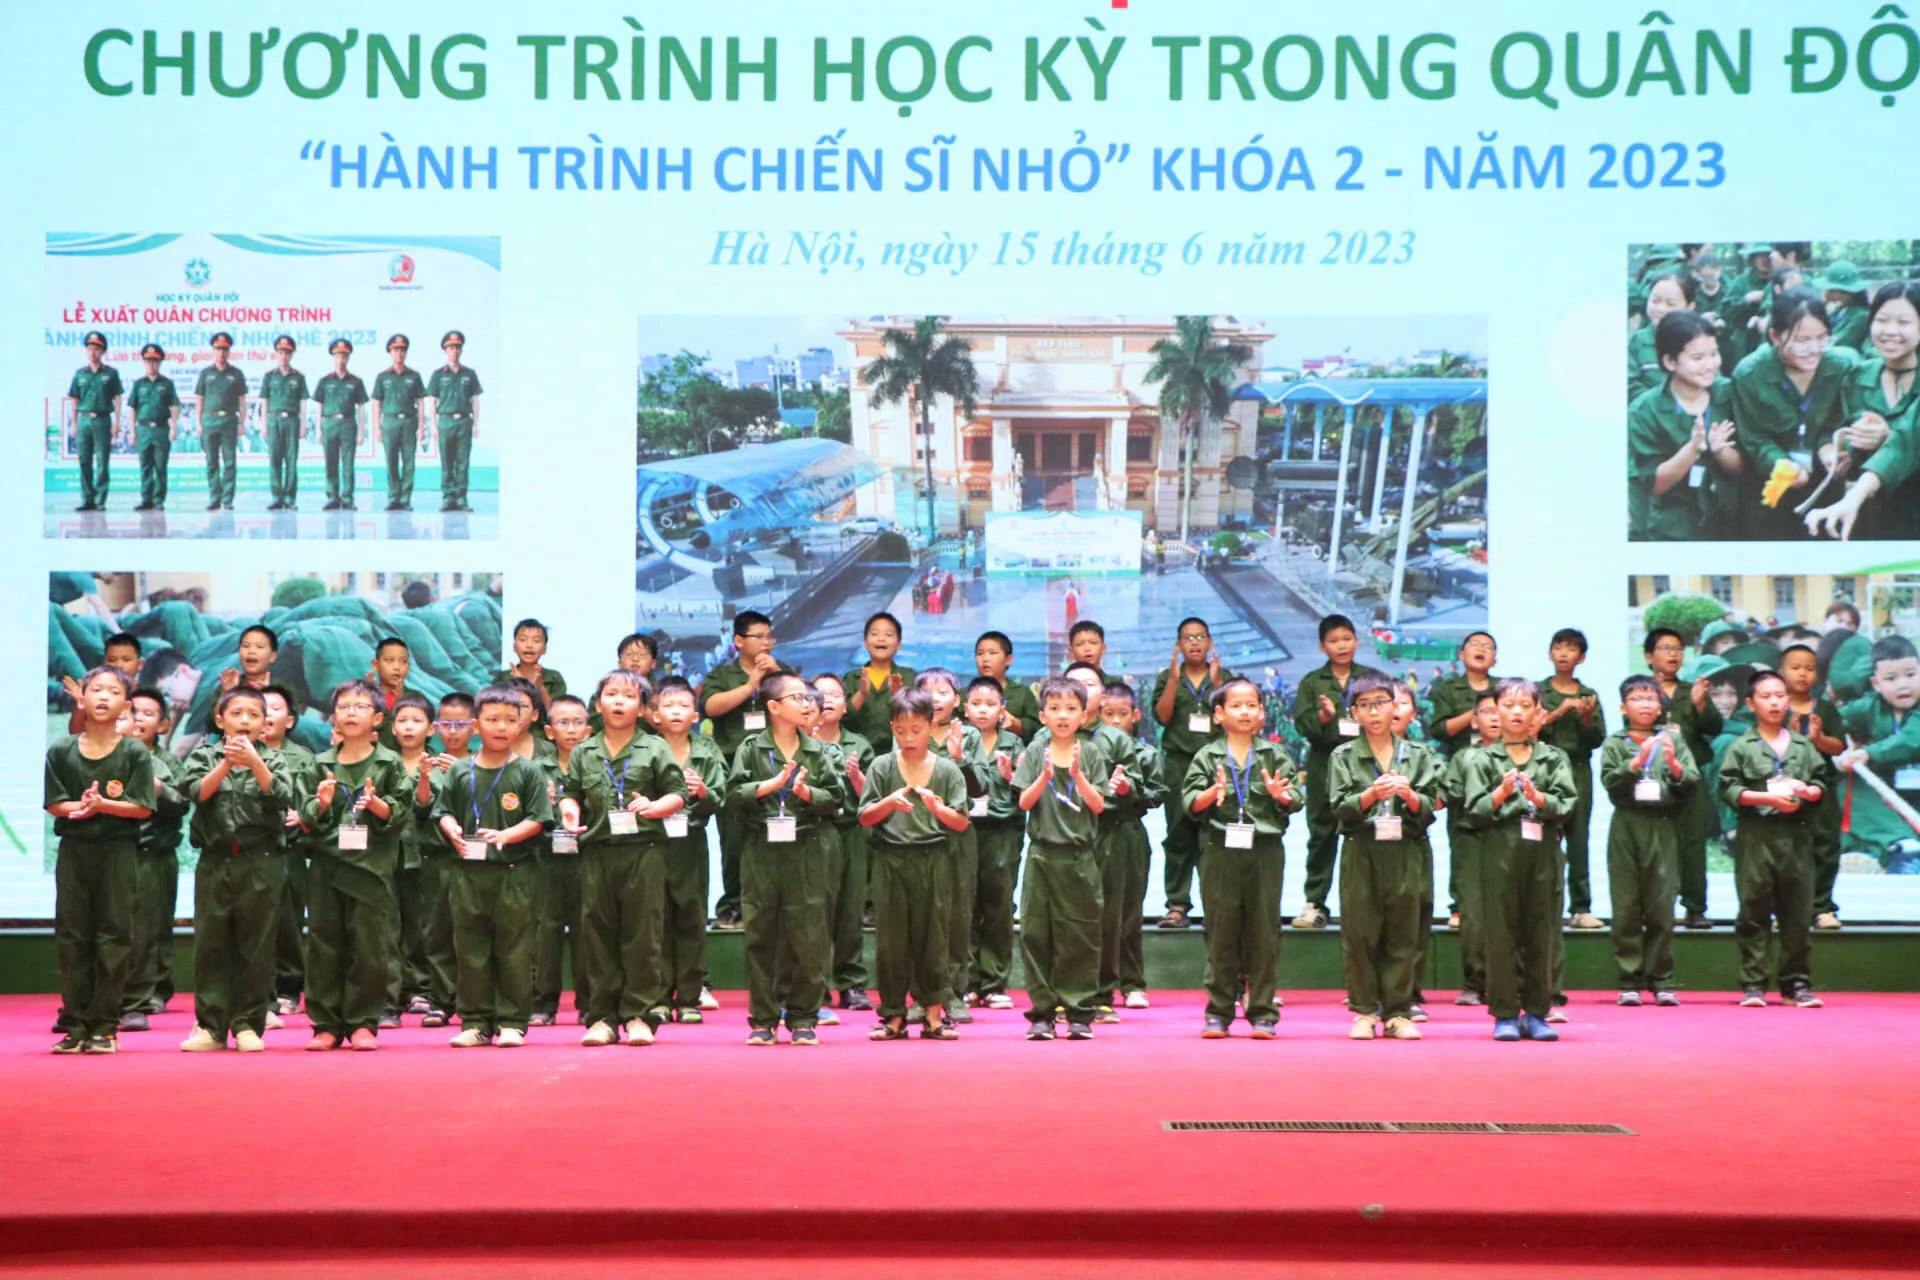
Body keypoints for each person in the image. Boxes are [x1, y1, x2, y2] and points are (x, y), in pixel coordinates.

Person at [560, 671, 687, 1046]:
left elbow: (678, 794)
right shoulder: (584, 751)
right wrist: (569, 813)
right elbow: (571, 794)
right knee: (596, 936)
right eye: (611, 694)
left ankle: (639, 1015)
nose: (619, 701)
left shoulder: (655, 748)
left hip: (644, 852)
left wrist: (656, 807)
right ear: (598, 704)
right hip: (597, 853)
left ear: (643, 708)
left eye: (628, 696)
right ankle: (602, 1017)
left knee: (643, 936)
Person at [726, 671, 844, 1046]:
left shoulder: (817, 750)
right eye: (797, 697)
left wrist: (807, 794)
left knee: (808, 936)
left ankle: (803, 1017)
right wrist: (771, 786)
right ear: (774, 707)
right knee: (761, 935)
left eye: (808, 698)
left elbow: (836, 798)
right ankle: (763, 1018)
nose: (807, 704)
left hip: (806, 849)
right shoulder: (751, 748)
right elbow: (734, 794)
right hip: (761, 850)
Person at [436, 687, 556, 1046]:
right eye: (492, 719)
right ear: (476, 725)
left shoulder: (529, 771)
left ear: (521, 724)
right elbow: (443, 812)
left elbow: (539, 819)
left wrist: (507, 835)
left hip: (514, 874)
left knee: (514, 951)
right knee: (470, 950)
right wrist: (451, 829)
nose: (501, 727)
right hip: (468, 875)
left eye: (510, 720)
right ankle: (474, 1021)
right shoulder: (460, 770)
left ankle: (511, 1021)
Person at [1184, 677, 1302, 1039]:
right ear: (1219, 715)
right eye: (1236, 706)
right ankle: (1218, 1012)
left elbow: (1295, 798)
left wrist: (1281, 796)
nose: (1245, 712)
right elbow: (1190, 803)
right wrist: (1213, 792)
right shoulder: (1207, 756)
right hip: (1220, 851)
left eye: (1251, 705)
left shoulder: (1273, 755)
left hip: (1264, 852)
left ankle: (1262, 1011)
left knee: (1263, 932)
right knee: (1221, 931)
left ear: (1262, 713)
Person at [45, 666, 156, 1054]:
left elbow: (143, 807)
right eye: (96, 689)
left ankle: (105, 1026)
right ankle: (75, 1024)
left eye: (113, 691)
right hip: (75, 851)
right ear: (83, 698)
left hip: (118, 852)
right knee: (73, 937)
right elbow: (55, 803)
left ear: (126, 706)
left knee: (114, 936)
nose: (103, 696)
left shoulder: (134, 752)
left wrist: (104, 805)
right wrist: (80, 807)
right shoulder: (61, 750)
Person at [180, 687, 297, 1052]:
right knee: (211, 944)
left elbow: (282, 795)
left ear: (265, 725)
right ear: (220, 720)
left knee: (257, 944)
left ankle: (248, 1024)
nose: (244, 720)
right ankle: (211, 1027)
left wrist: (254, 762)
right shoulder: (204, 755)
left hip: (261, 860)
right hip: (216, 860)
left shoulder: (275, 758)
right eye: (236, 713)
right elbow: (195, 792)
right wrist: (227, 764)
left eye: (253, 715)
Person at [299, 679, 413, 1051]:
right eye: (344, 706)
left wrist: (378, 805)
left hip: (371, 869)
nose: (351, 712)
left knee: (370, 948)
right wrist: (321, 804)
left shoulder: (389, 763)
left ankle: (363, 1022)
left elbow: (401, 811)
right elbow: (305, 815)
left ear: (377, 718)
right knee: (324, 946)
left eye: (360, 706)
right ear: (333, 716)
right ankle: (326, 1024)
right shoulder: (319, 764)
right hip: (327, 868)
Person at [1463, 678, 1578, 1042]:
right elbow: (1474, 811)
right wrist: (1501, 793)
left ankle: (1538, 1012)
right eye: (1508, 705)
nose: (1516, 712)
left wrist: (1539, 798)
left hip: (1542, 854)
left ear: (1537, 713)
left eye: (1525, 706)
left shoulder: (1553, 758)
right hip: (1499, 852)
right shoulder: (1481, 759)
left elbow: (1567, 804)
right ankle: (1505, 1013)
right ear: (1495, 711)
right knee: (1501, 935)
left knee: (1541, 934)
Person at [1330, 673, 1441, 1040]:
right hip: (1362, 850)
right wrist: (1370, 795)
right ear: (1354, 713)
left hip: (1406, 849)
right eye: (1365, 705)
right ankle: (1364, 1011)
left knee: (1403, 932)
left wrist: (1408, 795)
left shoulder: (1419, 755)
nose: (1374, 712)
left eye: (1381, 703)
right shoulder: (1343, 755)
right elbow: (1338, 807)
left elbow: (1430, 807)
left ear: (1395, 706)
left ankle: (1397, 1012)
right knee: (1360, 932)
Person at [860, 687, 971, 1041]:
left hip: (933, 859)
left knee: (934, 938)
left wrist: (938, 809)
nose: (908, 738)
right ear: (891, 728)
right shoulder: (881, 766)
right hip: (890, 859)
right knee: (891, 941)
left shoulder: (947, 770)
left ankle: (934, 1016)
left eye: (916, 730)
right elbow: (864, 817)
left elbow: (961, 822)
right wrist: (888, 803)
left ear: (931, 725)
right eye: (900, 730)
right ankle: (893, 1016)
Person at [1721, 670, 1828, 1008]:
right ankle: (1754, 984)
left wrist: (1809, 791)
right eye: (1766, 696)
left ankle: (1796, 984)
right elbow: (1729, 789)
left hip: (1795, 836)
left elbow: (1821, 783)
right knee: (1753, 910)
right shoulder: (1742, 746)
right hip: (1757, 835)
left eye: (1780, 695)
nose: (1775, 702)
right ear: (1751, 703)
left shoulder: (1803, 746)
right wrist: (1766, 798)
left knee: (1797, 914)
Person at [1013, 676, 1110, 1041]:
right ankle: (1042, 1013)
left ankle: (1079, 1012)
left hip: (1079, 858)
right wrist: (1044, 776)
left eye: (1071, 708)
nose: (1063, 715)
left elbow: (1098, 805)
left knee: (1080, 935)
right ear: (1042, 716)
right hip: (1041, 856)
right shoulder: (1036, 751)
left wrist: (1078, 777)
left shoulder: (1092, 753)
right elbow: (1024, 802)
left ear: (1083, 716)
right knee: (1036, 934)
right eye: (1054, 708)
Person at [1730, 288, 1859, 540]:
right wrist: (1779, 463)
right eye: (1802, 340)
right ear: (1775, 336)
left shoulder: (1841, 368)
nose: (1814, 349)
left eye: (1822, 338)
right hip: (1769, 490)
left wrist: (1830, 448)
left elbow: (1840, 422)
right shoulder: (1749, 374)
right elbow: (1754, 438)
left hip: (1824, 488)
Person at [1601, 675, 1699, 1006]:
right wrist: (1636, 761)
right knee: (1626, 906)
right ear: (1623, 708)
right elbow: (1610, 782)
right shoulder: (1615, 742)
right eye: (1637, 699)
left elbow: (1692, 780)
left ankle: (1662, 980)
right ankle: (1629, 980)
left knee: (1662, 905)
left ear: (1660, 707)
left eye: (1650, 699)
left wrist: (1672, 762)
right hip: (1627, 825)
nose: (1644, 705)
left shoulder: (1673, 740)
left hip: (1663, 825)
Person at [1805, 281, 1920, 542]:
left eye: (1903, 322)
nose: (1890, 331)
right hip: (1869, 514)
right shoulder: (1856, 376)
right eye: (1882, 320)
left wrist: (1885, 437)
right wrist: (1836, 452)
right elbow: (1826, 430)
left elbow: (1907, 440)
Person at [698, 611, 791, 929]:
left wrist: (776, 675)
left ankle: (775, 903)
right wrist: (751, 684)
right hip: (733, 768)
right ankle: (733, 905)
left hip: (775, 766)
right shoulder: (722, 674)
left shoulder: (780, 671)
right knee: (734, 839)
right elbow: (711, 707)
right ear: (738, 640)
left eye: (769, 637)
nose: (766, 643)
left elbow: (801, 703)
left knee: (776, 835)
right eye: (759, 636)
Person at [1291, 614, 1383, 928]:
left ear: (1356, 641)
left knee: (1368, 831)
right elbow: (1302, 726)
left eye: (1347, 638)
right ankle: (1315, 902)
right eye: (1333, 641)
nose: (1341, 646)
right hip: (1325, 763)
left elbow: (1387, 714)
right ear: (1322, 646)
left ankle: (1370, 901)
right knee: (1322, 833)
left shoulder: (1371, 678)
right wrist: (1324, 716)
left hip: (1365, 762)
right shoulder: (1312, 682)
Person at [915, 668, 990, 1024]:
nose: (935, 699)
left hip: (958, 836)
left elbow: (981, 788)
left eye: (943, 691)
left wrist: (960, 758)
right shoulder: (910, 731)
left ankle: (955, 994)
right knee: (921, 917)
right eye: (927, 692)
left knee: (958, 916)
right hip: (917, 836)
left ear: (956, 700)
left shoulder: (969, 735)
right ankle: (921, 995)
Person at [1629, 311, 1743, 541]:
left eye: (1714, 354)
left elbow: (1744, 468)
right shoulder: (1644, 411)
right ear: (1670, 362)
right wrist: (1692, 450)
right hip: (1672, 528)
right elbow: (1653, 484)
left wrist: (1722, 452)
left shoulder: (1731, 394)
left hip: (1728, 523)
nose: (1710, 365)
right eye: (1698, 358)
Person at [653, 677, 727, 1020]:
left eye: (683, 706)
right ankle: (657, 997)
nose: (676, 711)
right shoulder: (646, 749)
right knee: (655, 919)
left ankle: (689, 996)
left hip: (691, 842)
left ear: (695, 716)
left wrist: (702, 792)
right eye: (668, 705)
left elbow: (721, 798)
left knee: (691, 916)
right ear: (655, 715)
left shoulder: (706, 751)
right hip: (653, 843)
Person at [118, 686, 190, 1033]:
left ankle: (154, 990)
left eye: (148, 714)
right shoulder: (111, 756)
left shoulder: (169, 762)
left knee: (154, 924)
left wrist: (160, 790)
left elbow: (181, 803)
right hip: (117, 853)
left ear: (162, 725)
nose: (138, 720)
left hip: (155, 853)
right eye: (133, 713)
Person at [1150, 617, 1229, 929]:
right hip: (1179, 765)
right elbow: (1162, 717)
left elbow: (1229, 718)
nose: (1194, 642)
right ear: (1178, 645)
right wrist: (1172, 680)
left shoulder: (1224, 677)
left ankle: (1216, 905)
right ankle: (1177, 904)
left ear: (1210, 642)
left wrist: (1218, 684)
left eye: (1200, 637)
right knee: (1178, 835)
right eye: (1188, 638)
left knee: (1215, 837)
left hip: (1216, 766)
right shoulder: (1168, 677)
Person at [1645, 628, 1725, 927]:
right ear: (1649, 656)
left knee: (1693, 844)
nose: (1673, 654)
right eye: (1665, 648)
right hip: (1652, 778)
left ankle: (1695, 907)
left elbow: (1714, 727)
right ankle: (1654, 908)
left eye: (1678, 649)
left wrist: (1700, 704)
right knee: (1654, 845)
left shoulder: (1692, 690)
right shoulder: (1640, 691)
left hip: (1690, 778)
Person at [1097, 681, 1164, 1017]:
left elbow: (1157, 794)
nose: (1115, 720)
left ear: (1135, 715)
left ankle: (1133, 983)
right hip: (1093, 831)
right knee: (1098, 914)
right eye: (1108, 714)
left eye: (1122, 714)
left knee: (1128, 912)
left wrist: (1128, 790)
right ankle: (1097, 985)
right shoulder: (1089, 749)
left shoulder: (1145, 754)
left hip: (1128, 832)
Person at [810, 673, 876, 1013]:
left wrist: (856, 777)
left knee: (850, 910)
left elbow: (873, 797)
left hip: (850, 832)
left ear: (846, 705)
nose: (828, 700)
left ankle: (851, 982)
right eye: (821, 694)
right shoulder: (798, 743)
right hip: (813, 831)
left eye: (836, 694)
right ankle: (814, 985)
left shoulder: (859, 745)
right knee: (815, 910)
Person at [389, 694, 454, 1024]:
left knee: (424, 925)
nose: (408, 727)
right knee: (391, 925)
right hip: (386, 855)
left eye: (416, 721)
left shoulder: (441, 766)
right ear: (392, 727)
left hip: (426, 855)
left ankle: (424, 988)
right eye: (402, 721)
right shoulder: (384, 762)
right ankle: (395, 989)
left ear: (430, 729)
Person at [962, 675, 1025, 1010]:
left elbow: (1029, 791)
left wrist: (1011, 776)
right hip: (965, 829)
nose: (983, 710)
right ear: (965, 708)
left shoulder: (1014, 743)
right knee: (966, 905)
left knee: (999, 907)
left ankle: (994, 982)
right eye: (976, 704)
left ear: (1003, 709)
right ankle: (967, 981)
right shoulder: (958, 740)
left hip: (1003, 831)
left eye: (990, 704)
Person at [1539, 629, 1608, 930]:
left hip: (1578, 769)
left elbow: (1598, 739)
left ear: (1582, 657)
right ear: (1550, 653)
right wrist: (1560, 711)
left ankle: (1581, 908)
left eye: (1571, 649)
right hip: (1543, 769)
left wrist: (1586, 718)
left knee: (1578, 839)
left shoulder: (1588, 694)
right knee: (1542, 838)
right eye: (1558, 647)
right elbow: (1531, 729)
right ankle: (1543, 905)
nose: (1564, 654)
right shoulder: (1537, 692)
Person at [1836, 635, 1920, 876]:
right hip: (1890, 793)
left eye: (1911, 675)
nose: (1903, 685)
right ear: (1876, 683)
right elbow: (1832, 719)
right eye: (1891, 679)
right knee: (1847, 784)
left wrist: (1868, 752)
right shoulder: (1869, 706)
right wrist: (1839, 747)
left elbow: (1912, 740)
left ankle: (1901, 847)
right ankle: (1904, 847)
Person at [531, 694, 591, 1026]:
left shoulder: (597, 763)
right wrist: (542, 804)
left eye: (578, 722)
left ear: (588, 729)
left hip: (588, 858)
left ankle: (590, 1003)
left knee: (588, 931)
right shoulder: (536, 769)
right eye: (563, 723)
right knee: (545, 932)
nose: (571, 729)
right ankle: (543, 1003)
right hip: (546, 859)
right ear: (549, 731)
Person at [1777, 645, 1847, 930]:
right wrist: (1792, 738)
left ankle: (1821, 907)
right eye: (1795, 668)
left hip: (1822, 789)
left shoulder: (1825, 708)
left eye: (1809, 668)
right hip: (1784, 789)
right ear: (1781, 672)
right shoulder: (1775, 708)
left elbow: (1839, 746)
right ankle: (1788, 910)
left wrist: (1818, 740)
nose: (1803, 674)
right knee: (1786, 850)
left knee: (1825, 847)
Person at [1442, 690, 1502, 1004]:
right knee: (1474, 914)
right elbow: (1449, 795)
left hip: (1510, 839)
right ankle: (1475, 982)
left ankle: (1509, 983)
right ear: (1474, 721)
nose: (1495, 717)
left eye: (1500, 710)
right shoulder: (1463, 757)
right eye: (1487, 712)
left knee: (1509, 912)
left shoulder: (1525, 755)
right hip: (1471, 840)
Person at [66, 330, 124, 512]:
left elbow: (117, 398)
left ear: (103, 351)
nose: (93, 352)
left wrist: (117, 422)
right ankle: (87, 499)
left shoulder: (111, 373)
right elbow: (74, 398)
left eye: (97, 349)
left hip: (102, 420)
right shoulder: (80, 374)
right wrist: (74, 422)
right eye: (90, 349)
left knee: (102, 461)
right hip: (84, 420)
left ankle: (100, 500)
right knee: (84, 461)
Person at [425, 330, 482, 512]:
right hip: (446, 422)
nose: (454, 351)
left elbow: (475, 400)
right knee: (447, 462)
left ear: (461, 350)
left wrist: (476, 423)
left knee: (463, 463)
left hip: (464, 422)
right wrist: (433, 425)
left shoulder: (469, 374)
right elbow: (432, 401)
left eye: (457, 347)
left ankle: (461, 499)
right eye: (451, 347)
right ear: (445, 350)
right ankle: (448, 498)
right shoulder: (438, 375)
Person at [844, 611, 917, 754]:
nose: (881, 638)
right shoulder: (851, 678)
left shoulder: (910, 677)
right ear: (865, 644)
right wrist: (862, 693)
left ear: (899, 645)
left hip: (899, 754)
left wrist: (899, 695)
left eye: (888, 635)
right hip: (857, 756)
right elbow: (843, 719)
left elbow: (919, 719)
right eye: (874, 634)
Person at [311, 338, 370, 511]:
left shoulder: (356, 381)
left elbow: (361, 407)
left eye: (344, 357)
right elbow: (319, 406)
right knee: (331, 462)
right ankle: (332, 497)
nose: (341, 360)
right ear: (333, 358)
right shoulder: (325, 381)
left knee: (348, 463)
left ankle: (348, 498)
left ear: (348, 358)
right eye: (337, 356)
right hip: (329, 423)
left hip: (348, 424)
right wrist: (318, 429)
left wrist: (361, 431)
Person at [371, 333, 428, 511]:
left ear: (406, 353)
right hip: (390, 422)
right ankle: (393, 497)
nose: (399, 353)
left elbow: (420, 401)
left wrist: (421, 426)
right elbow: (376, 403)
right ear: (390, 352)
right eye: (396, 350)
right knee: (391, 461)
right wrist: (377, 427)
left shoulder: (414, 376)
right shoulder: (383, 377)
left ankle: (405, 499)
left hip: (409, 422)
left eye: (402, 350)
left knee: (409, 461)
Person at [193, 332, 248, 511]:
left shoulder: (236, 374)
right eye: (218, 349)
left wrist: (241, 422)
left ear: (229, 351)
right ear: (213, 350)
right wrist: (198, 423)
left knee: (230, 461)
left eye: (224, 349)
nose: (221, 352)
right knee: (212, 461)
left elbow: (242, 400)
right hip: (209, 420)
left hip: (229, 420)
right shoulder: (206, 374)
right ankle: (214, 497)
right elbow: (199, 399)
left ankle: (227, 499)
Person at [1627, 271, 1698, 400]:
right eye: (1655, 301)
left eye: (1670, 304)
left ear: (1690, 307)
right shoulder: (1632, 343)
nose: (1660, 309)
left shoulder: (1699, 342)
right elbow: (1629, 386)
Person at [127, 342, 180, 511]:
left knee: (160, 466)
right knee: (145, 466)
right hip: (143, 429)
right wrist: (132, 431)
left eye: (155, 361)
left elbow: (174, 406)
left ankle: (158, 500)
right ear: (144, 362)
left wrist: (173, 427)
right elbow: (132, 408)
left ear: (160, 362)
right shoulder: (138, 384)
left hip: (161, 429)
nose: (151, 364)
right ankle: (146, 499)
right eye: (148, 361)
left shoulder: (167, 384)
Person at [258, 334, 309, 511]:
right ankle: (276, 496)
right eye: (280, 353)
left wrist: (303, 424)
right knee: (274, 459)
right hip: (274, 420)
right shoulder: (269, 376)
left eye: (287, 353)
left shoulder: (298, 377)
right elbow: (264, 401)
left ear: (292, 355)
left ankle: (290, 498)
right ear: (276, 354)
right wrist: (263, 423)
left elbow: (303, 401)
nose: (284, 356)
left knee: (291, 460)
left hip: (292, 421)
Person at [497, 618, 567, 735]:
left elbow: (558, 716)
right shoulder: (503, 678)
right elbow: (496, 710)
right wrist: (521, 684)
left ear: (544, 649)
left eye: (536, 641)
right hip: (509, 736)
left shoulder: (554, 677)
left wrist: (540, 688)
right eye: (523, 640)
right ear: (514, 647)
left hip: (544, 738)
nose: (529, 645)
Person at [974, 630, 1039, 738]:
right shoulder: (965, 694)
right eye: (980, 653)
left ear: (1008, 659)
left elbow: (1037, 727)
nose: (985, 659)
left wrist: (1015, 724)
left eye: (992, 653)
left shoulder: (1022, 693)